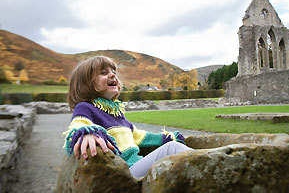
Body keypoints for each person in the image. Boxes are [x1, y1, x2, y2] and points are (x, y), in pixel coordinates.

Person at [63, 56, 192, 178]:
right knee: (172, 149)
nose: (113, 75)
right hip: (125, 173)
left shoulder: (116, 114)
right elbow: (78, 124)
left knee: (172, 145)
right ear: (85, 83)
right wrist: (85, 134)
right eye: (103, 73)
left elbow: (139, 136)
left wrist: (166, 137)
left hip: (138, 166)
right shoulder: (85, 107)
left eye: (113, 71)